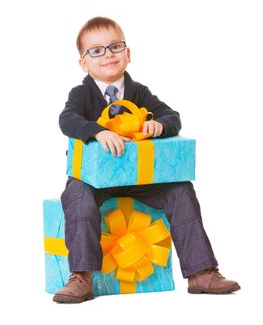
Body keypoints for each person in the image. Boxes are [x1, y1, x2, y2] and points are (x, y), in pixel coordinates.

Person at [53, 16, 240, 303]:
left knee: (180, 189)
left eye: (115, 47)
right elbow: (67, 120)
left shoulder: (139, 92)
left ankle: (201, 271)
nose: (108, 55)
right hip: (94, 180)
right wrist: (97, 132)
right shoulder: (81, 94)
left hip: (140, 178)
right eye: (97, 50)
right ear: (84, 63)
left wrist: (160, 126)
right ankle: (81, 276)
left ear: (128, 54)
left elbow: (172, 117)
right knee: (77, 196)